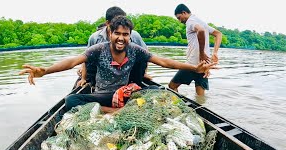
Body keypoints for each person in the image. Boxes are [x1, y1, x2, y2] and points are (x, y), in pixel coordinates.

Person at [19, 16, 217, 114]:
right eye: (117, 34)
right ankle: (118, 113)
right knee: (71, 101)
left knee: (162, 93)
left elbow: (164, 61)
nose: (121, 38)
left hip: (126, 92)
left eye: (125, 35)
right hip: (104, 94)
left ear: (129, 36)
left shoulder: (135, 50)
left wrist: (194, 69)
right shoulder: (98, 49)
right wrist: (45, 71)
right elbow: (72, 61)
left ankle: (112, 110)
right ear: (110, 33)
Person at [74, 6, 149, 88]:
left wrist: (144, 73)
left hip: (127, 70)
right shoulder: (95, 38)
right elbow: (86, 59)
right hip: (102, 73)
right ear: (107, 23)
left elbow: (146, 54)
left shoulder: (134, 35)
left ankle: (136, 82)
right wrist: (83, 78)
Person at [168, 4, 222, 96]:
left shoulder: (190, 21)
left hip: (192, 64)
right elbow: (218, 34)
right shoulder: (201, 21)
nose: (179, 21)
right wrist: (215, 52)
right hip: (204, 65)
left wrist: (201, 53)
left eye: (179, 17)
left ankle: (179, 106)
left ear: (184, 13)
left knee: (172, 86)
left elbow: (200, 31)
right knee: (200, 96)